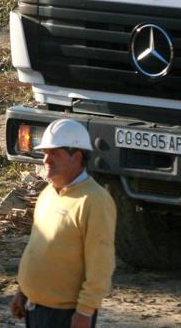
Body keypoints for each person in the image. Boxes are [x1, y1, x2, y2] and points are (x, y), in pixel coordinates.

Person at [11, 119, 116, 328]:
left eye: (54, 154)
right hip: (35, 307)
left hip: (65, 315)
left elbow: (101, 266)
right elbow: (37, 248)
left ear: (77, 157)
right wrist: (22, 291)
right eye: (45, 153)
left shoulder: (95, 201)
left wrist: (85, 311)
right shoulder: (48, 194)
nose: (46, 160)